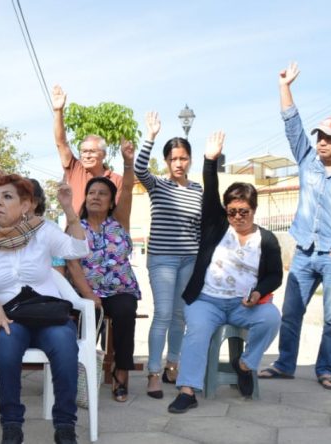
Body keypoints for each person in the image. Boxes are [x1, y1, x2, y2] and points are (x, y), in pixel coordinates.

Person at [259, 62, 331, 391]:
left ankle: (325, 369)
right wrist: (285, 87)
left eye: (329, 138)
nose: (321, 143)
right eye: (319, 137)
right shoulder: (308, 161)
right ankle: (284, 364)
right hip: (305, 253)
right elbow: (292, 126)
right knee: (291, 313)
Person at [167, 132, 284, 413]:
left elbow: (275, 275)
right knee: (196, 331)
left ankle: (245, 364)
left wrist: (258, 292)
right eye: (232, 211)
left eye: (243, 211)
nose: (237, 217)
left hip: (244, 305)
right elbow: (210, 190)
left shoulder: (266, 239)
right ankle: (188, 390)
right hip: (207, 300)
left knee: (271, 318)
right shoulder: (216, 226)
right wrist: (210, 160)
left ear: (253, 210)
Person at [0, 174, 89, 444]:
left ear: (25, 206)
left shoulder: (43, 230)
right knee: (7, 349)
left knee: (65, 346)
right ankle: (11, 424)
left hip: (47, 314)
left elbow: (79, 250)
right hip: (9, 314)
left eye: (7, 197)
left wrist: (69, 209)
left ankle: (65, 425)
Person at [135, 111, 203, 398]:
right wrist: (150, 136)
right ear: (166, 161)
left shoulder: (198, 189)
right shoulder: (158, 185)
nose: (179, 163)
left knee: (180, 316)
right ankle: (153, 371)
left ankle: (172, 365)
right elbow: (139, 170)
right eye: (174, 158)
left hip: (189, 260)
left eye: (183, 158)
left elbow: (199, 227)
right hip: (162, 260)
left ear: (190, 160)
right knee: (162, 314)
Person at [66, 140, 139, 402]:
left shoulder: (119, 221)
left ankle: (121, 373)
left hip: (120, 289)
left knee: (124, 312)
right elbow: (72, 264)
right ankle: (81, 374)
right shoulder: (76, 225)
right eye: (92, 193)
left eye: (102, 194)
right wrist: (89, 295)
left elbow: (128, 188)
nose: (95, 197)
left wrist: (128, 163)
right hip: (86, 291)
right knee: (85, 320)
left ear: (111, 202)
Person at [51, 84, 123, 213]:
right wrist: (58, 111)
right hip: (75, 231)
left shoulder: (116, 180)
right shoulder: (75, 169)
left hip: (105, 232)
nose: (87, 156)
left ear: (104, 154)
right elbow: (61, 143)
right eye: (83, 152)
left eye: (92, 151)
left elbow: (119, 213)